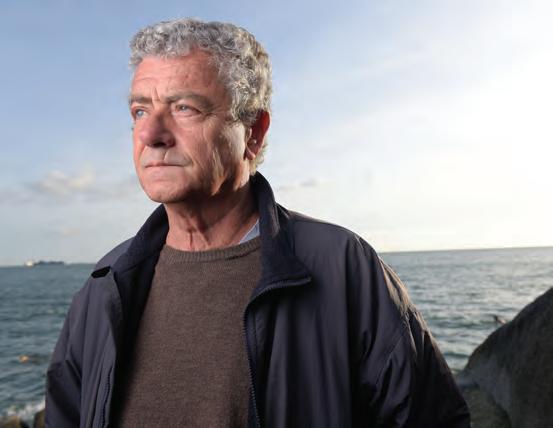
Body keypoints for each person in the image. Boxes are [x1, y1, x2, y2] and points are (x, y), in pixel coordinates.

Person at [45, 18, 470, 428]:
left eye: (184, 107)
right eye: (140, 110)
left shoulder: (342, 266)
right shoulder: (106, 283)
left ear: (253, 132)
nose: (150, 134)